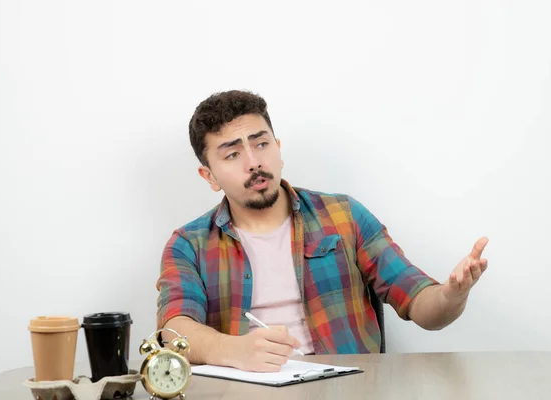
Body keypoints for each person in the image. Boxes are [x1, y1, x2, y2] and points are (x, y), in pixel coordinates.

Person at [156, 90, 489, 372]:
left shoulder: (343, 215)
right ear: (209, 176)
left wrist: (450, 296)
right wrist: (234, 351)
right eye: (232, 154)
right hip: (248, 389)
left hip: (348, 388)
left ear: (278, 148)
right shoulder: (189, 245)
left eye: (261, 144)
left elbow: (421, 304)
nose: (253, 162)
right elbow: (173, 329)